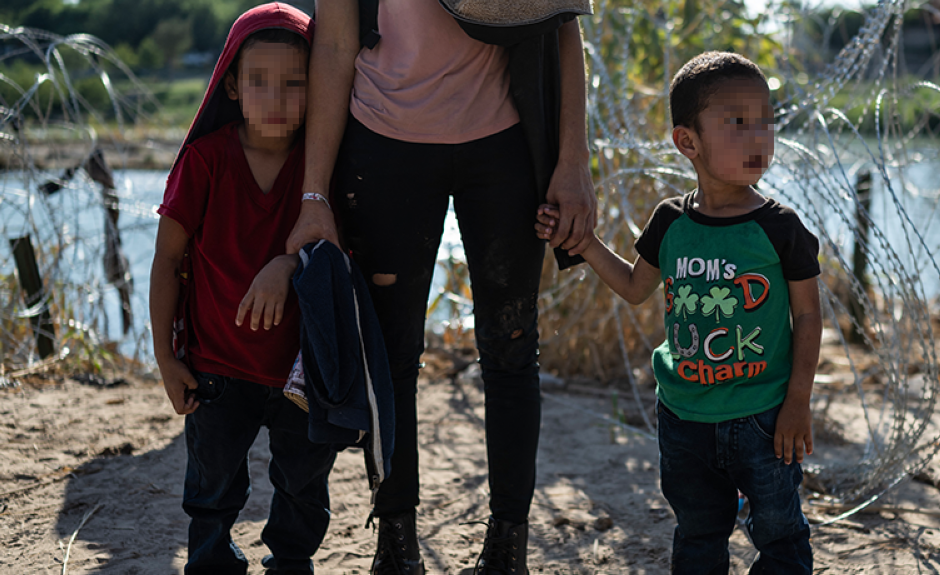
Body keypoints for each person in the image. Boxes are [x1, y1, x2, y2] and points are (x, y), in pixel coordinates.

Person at [283, 1, 597, 573]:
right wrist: (314, 194)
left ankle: (507, 550)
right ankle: (396, 546)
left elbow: (563, 26)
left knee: (511, 351)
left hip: (506, 143)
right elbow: (331, 47)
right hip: (382, 143)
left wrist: (573, 158)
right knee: (390, 358)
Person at [537, 51, 821, 574]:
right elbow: (633, 287)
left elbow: (807, 317)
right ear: (687, 141)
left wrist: (798, 399)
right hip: (684, 419)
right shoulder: (670, 221)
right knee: (698, 532)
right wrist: (584, 241)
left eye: (766, 122)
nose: (759, 136)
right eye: (738, 123)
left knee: (781, 535)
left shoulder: (781, 227)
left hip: (763, 417)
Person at [149, 5, 340, 574]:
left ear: (318, 87)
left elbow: (338, 258)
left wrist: (286, 265)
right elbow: (165, 259)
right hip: (216, 366)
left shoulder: (321, 169)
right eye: (258, 82)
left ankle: (290, 563)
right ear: (231, 85)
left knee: (304, 486)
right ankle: (210, 562)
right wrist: (165, 357)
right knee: (211, 488)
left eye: (294, 83)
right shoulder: (205, 162)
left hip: (301, 372)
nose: (276, 98)